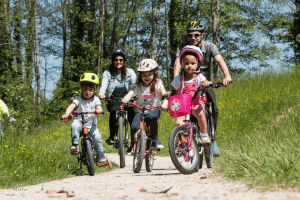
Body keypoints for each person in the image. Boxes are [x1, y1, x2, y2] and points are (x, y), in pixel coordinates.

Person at [173, 21, 232, 156]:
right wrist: (176, 81)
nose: (193, 37)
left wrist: (227, 76)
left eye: (196, 34)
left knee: (213, 109)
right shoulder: (183, 46)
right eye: (190, 35)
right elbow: (177, 64)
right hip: (186, 83)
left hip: (204, 83)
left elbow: (220, 60)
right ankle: (183, 140)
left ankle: (212, 138)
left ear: (202, 34)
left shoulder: (209, 46)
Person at [122, 59, 169, 155]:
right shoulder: (137, 85)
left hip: (154, 109)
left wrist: (165, 103)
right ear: (140, 75)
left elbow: (165, 94)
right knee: (134, 126)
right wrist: (125, 99)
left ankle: (155, 140)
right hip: (140, 110)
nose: (146, 77)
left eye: (149, 74)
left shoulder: (158, 83)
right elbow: (130, 93)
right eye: (144, 75)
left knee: (152, 118)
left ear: (154, 74)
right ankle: (132, 145)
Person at [61, 73, 106, 163]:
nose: (87, 92)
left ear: (95, 89)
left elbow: (98, 107)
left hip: (91, 124)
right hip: (79, 121)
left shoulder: (96, 99)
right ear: (82, 89)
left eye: (90, 89)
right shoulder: (78, 98)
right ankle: (75, 145)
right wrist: (67, 113)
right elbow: (71, 106)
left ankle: (100, 154)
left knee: (97, 137)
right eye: (85, 89)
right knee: (74, 126)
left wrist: (99, 110)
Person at [98, 50, 136, 154]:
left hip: (128, 99)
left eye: (120, 60)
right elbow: (104, 84)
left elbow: (134, 85)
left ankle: (133, 144)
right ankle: (111, 136)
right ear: (113, 61)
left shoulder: (130, 72)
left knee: (133, 120)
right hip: (114, 99)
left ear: (124, 61)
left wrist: (130, 97)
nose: (118, 62)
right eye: (116, 60)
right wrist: (101, 93)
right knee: (113, 112)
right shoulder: (107, 73)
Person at [171, 45, 212, 144]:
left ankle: (204, 134)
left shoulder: (199, 77)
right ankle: (180, 141)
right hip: (182, 104)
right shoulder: (178, 79)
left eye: (193, 63)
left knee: (199, 112)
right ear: (182, 64)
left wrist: (207, 84)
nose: (189, 66)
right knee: (179, 123)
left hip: (195, 102)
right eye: (186, 63)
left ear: (198, 64)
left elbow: (206, 83)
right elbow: (175, 92)